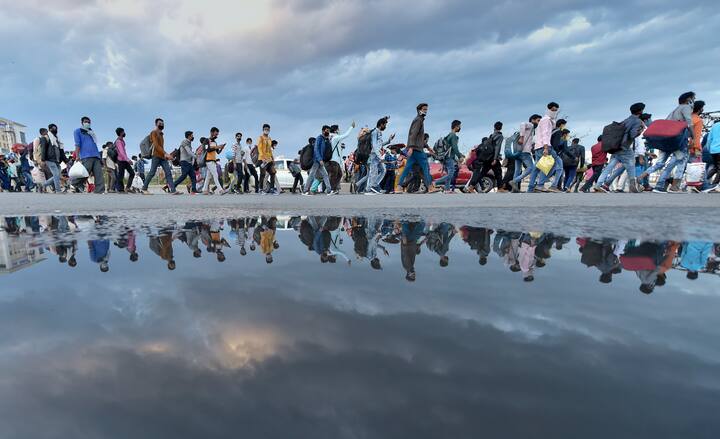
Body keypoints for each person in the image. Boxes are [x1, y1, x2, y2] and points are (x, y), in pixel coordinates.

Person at [647, 92, 695, 193]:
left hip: (669, 140)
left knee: (663, 163)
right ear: (688, 100)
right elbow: (689, 122)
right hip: (680, 140)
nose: (693, 101)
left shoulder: (674, 110)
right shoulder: (686, 108)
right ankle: (674, 187)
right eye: (693, 99)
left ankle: (658, 184)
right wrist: (694, 137)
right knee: (681, 163)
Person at [593, 103, 646, 193]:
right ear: (640, 111)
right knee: (631, 164)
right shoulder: (637, 121)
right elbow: (633, 134)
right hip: (625, 147)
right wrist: (641, 129)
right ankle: (633, 185)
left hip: (616, 145)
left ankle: (599, 184)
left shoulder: (627, 119)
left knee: (610, 166)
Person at [397, 104, 440, 193]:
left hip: (414, 149)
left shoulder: (419, 120)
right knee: (425, 167)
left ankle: (399, 187)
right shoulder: (418, 120)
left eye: (426, 109)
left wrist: (428, 147)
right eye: (424, 109)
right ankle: (430, 187)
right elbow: (413, 134)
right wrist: (411, 147)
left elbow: (419, 138)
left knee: (407, 168)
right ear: (419, 110)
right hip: (417, 149)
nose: (425, 111)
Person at [527, 103, 563, 193]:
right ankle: (543, 185)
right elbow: (545, 134)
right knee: (556, 164)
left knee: (537, 168)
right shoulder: (547, 120)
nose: (554, 112)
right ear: (548, 109)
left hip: (538, 147)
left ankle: (531, 188)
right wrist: (546, 147)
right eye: (553, 110)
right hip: (545, 146)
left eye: (556, 110)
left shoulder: (546, 120)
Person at [141, 118, 179, 195]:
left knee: (168, 173)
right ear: (156, 124)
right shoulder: (153, 133)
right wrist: (165, 153)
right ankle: (144, 189)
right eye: (160, 123)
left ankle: (173, 190)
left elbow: (161, 147)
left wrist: (165, 155)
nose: (161, 124)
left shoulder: (162, 135)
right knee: (152, 172)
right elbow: (156, 145)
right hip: (156, 156)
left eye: (162, 123)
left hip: (163, 157)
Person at [359, 117, 395, 194]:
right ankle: (369, 189)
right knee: (373, 172)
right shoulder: (375, 132)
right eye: (385, 124)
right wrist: (380, 157)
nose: (385, 126)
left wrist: (388, 141)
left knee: (383, 170)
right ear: (381, 124)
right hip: (373, 155)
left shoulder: (379, 132)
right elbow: (375, 146)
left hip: (377, 155)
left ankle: (374, 185)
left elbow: (379, 145)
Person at [468, 122, 504, 193]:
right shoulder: (500, 136)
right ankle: (500, 188)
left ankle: (471, 186)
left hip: (487, 158)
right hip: (492, 158)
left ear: (494, 127)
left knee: (482, 173)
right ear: (501, 127)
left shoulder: (491, 135)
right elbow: (497, 147)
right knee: (498, 172)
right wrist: (495, 158)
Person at [509, 114, 541, 193]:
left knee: (517, 170)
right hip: (524, 152)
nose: (539, 122)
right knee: (531, 168)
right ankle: (514, 181)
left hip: (518, 151)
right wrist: (522, 137)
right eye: (538, 120)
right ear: (533, 120)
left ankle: (514, 189)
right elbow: (522, 124)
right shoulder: (530, 125)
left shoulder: (532, 130)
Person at [73, 116, 105, 193]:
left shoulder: (91, 132)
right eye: (86, 122)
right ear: (82, 123)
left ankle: (99, 190)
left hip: (96, 155)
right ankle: (73, 183)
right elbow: (77, 144)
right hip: (86, 155)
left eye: (89, 122)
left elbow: (94, 144)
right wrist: (77, 156)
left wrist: (99, 156)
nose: (87, 123)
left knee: (99, 174)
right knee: (84, 173)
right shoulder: (77, 131)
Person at [303, 125, 334, 195]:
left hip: (320, 161)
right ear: (323, 131)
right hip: (316, 161)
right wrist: (320, 159)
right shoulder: (319, 138)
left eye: (329, 131)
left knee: (325, 174)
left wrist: (328, 140)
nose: (328, 132)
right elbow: (316, 149)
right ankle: (305, 190)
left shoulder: (324, 139)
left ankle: (329, 190)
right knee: (312, 175)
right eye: (327, 130)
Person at [434, 120, 464, 193]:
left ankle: (447, 190)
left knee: (448, 174)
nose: (460, 127)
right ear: (456, 126)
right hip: (448, 158)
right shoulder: (453, 135)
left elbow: (451, 149)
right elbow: (454, 147)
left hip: (445, 157)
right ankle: (434, 183)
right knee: (450, 174)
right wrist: (460, 156)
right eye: (459, 126)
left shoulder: (448, 135)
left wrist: (458, 156)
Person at [201, 127, 227, 195]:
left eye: (217, 134)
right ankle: (221, 190)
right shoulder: (206, 140)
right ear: (211, 132)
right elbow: (208, 150)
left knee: (208, 176)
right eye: (216, 134)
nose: (216, 136)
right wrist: (217, 147)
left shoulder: (215, 142)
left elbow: (217, 152)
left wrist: (221, 148)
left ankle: (204, 189)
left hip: (213, 160)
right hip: (208, 160)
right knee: (216, 175)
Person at [39, 128, 63, 193]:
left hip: (55, 160)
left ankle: (43, 185)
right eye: (46, 131)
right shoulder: (44, 138)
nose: (48, 132)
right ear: (43, 132)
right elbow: (43, 149)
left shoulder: (53, 139)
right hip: (49, 159)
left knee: (57, 175)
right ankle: (58, 190)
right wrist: (43, 160)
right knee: (56, 174)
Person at [113, 128, 136, 193]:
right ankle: (120, 189)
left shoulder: (122, 140)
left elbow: (124, 152)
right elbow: (121, 152)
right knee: (121, 175)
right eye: (123, 132)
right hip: (120, 160)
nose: (124, 133)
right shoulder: (118, 141)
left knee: (132, 173)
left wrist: (126, 159)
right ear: (120, 133)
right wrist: (128, 160)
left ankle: (127, 188)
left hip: (124, 160)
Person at [257, 124, 277, 194]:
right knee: (262, 174)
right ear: (263, 130)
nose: (267, 130)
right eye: (265, 129)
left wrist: (273, 159)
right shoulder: (260, 138)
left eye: (268, 129)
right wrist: (262, 158)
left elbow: (270, 150)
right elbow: (259, 148)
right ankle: (260, 189)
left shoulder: (269, 139)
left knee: (273, 172)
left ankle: (272, 188)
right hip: (262, 159)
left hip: (269, 159)